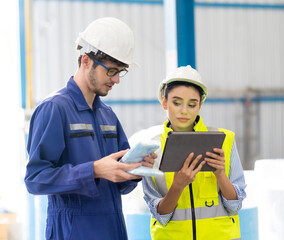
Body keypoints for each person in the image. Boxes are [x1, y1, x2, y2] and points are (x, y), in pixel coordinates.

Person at [24, 17, 156, 240]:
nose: (116, 80)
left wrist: (135, 170)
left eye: (120, 72)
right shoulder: (54, 109)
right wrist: (93, 170)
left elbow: (119, 185)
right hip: (73, 229)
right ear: (86, 61)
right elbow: (35, 179)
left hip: (113, 227)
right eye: (111, 71)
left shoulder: (108, 115)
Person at [142, 65, 247, 240]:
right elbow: (160, 215)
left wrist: (220, 174)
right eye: (177, 103)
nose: (184, 111)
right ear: (164, 101)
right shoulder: (151, 149)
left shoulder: (224, 141)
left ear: (200, 105)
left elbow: (235, 205)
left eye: (192, 104)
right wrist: (177, 186)